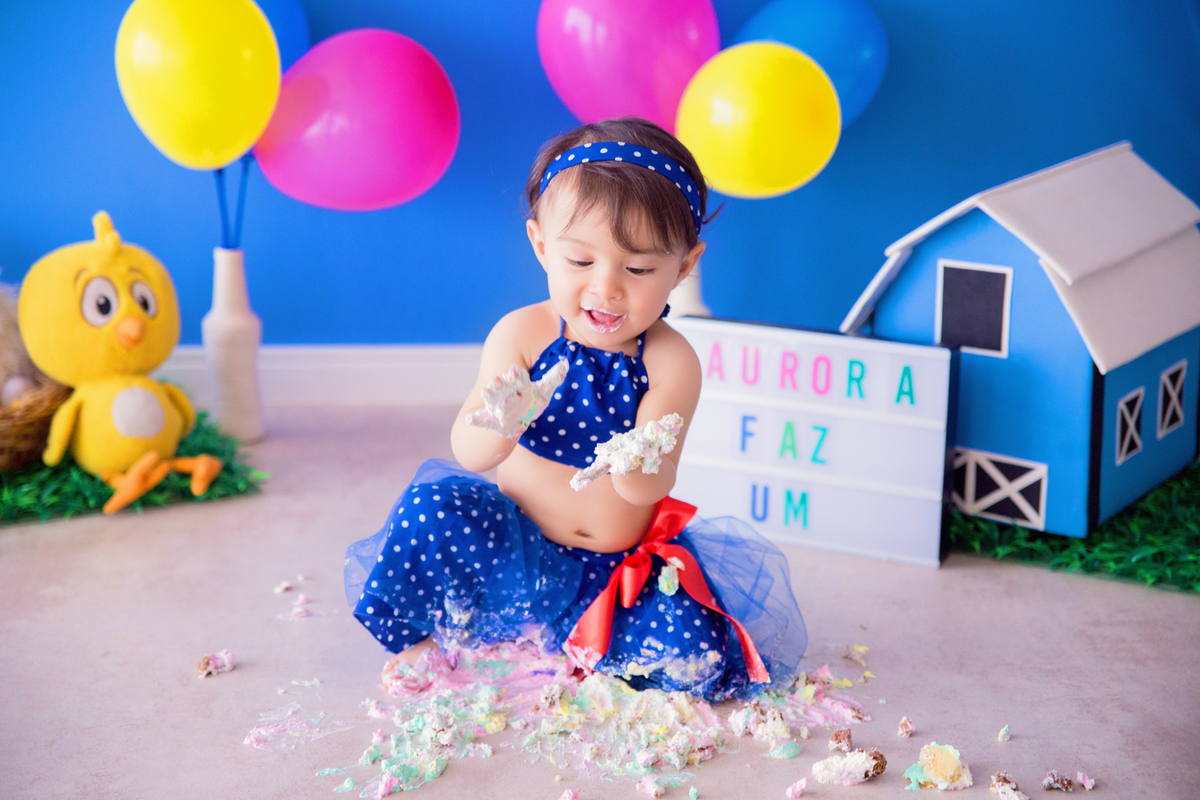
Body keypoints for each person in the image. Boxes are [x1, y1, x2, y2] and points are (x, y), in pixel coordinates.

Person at [345, 118, 805, 702]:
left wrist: (635, 459)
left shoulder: (671, 362)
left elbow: (652, 486)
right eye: (581, 262)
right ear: (542, 246)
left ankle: (584, 640)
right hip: (515, 553)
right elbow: (471, 452)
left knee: (696, 657)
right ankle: (422, 641)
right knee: (430, 508)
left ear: (684, 267)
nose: (606, 289)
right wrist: (502, 423)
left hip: (612, 574)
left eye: (639, 269)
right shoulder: (522, 335)